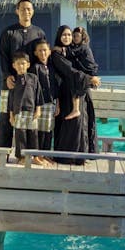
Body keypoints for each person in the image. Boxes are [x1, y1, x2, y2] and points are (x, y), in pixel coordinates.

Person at [0, 0, 47, 149]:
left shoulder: (39, 33)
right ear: (17, 11)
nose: (26, 12)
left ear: (33, 11)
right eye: (23, 9)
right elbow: (3, 56)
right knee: (6, 117)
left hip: (31, 85)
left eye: (29, 9)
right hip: (10, 82)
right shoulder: (8, 33)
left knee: (31, 119)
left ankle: (29, 154)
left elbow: (42, 57)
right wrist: (7, 76)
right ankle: (2, 153)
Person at [49, 26, 93, 164]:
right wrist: (89, 78)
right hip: (66, 93)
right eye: (64, 35)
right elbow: (69, 70)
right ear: (59, 36)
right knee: (71, 124)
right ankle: (67, 158)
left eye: (69, 35)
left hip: (78, 90)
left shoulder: (70, 51)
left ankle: (80, 157)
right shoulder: (57, 54)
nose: (67, 37)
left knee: (82, 123)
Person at [70, 27, 101, 153]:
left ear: (82, 37)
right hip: (80, 85)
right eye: (74, 35)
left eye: (77, 36)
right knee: (85, 121)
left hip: (83, 88)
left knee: (85, 121)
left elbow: (91, 67)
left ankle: (86, 150)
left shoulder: (83, 49)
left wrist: (90, 78)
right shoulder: (74, 49)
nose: (75, 38)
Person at [7, 51, 42, 162]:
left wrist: (38, 109)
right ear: (14, 65)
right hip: (19, 111)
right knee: (20, 134)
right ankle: (21, 157)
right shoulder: (13, 81)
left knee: (33, 133)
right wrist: (11, 115)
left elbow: (38, 94)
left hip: (32, 111)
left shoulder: (34, 78)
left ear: (28, 64)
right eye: (18, 63)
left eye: (23, 63)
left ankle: (35, 156)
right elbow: (10, 99)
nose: (21, 66)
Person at [30, 39, 58, 160]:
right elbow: (33, 90)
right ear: (35, 52)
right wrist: (37, 107)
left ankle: (46, 154)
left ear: (49, 51)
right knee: (39, 130)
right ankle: (38, 155)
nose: (43, 53)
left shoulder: (52, 67)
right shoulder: (35, 68)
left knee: (48, 130)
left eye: (45, 50)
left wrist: (58, 104)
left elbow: (56, 87)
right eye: (40, 50)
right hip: (40, 105)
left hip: (51, 103)